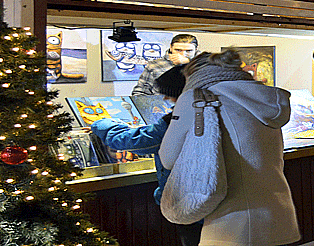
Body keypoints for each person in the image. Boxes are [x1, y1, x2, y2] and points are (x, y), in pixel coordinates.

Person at [160, 50, 301, 245]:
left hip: (230, 224)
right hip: (280, 216)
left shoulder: (195, 98)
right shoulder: (265, 98)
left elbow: (167, 158)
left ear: (193, 75)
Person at [92, 65, 203, 246]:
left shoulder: (177, 120)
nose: (166, 98)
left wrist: (103, 124)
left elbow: (136, 141)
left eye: (169, 92)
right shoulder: (214, 111)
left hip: (188, 204)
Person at [133, 34, 199, 96]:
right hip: (162, 103)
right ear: (170, 47)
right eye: (178, 50)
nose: (182, 54)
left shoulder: (205, 65)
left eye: (189, 51)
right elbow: (141, 91)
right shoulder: (155, 65)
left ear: (195, 50)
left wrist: (188, 62)